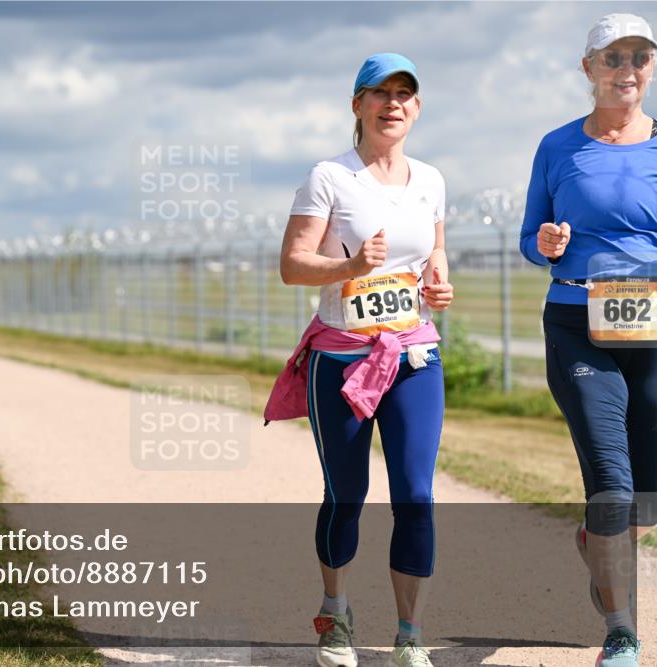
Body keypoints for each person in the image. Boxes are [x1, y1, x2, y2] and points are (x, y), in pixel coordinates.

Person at [265, 53, 453, 667]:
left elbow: (436, 255)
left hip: (414, 355)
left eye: (405, 94)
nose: (392, 104)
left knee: (415, 496)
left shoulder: (430, 179)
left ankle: (408, 635)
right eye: (380, 94)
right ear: (358, 105)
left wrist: (439, 287)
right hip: (341, 358)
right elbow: (293, 264)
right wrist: (349, 267)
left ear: (417, 108)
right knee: (347, 493)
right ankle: (336, 614)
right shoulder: (329, 177)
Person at [519, 14, 656, 667]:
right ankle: (622, 632)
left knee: (645, 501)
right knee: (612, 481)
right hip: (578, 323)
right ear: (589, 68)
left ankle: (593, 541)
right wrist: (544, 242)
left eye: (639, 56)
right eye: (613, 57)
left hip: (653, 328)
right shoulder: (558, 147)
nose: (626, 69)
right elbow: (529, 236)